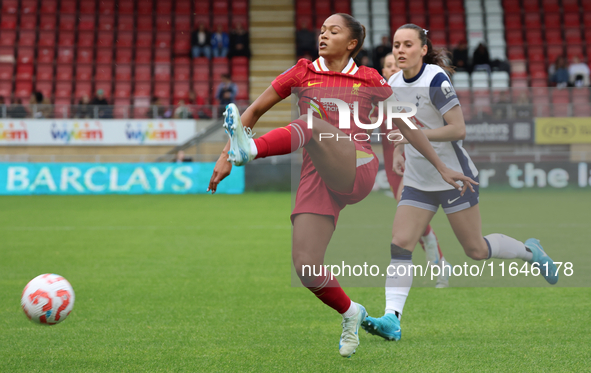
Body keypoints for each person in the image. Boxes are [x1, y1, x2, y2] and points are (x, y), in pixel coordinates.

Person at [208, 14, 476, 357]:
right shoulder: (302, 71)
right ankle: (352, 313)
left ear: (352, 43)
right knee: (305, 264)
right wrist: (224, 157)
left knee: (309, 123)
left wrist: (441, 166)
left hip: (357, 165)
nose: (323, 35)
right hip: (316, 176)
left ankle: (253, 150)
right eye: (321, 30)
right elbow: (255, 109)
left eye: (333, 31)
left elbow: (407, 125)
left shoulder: (369, 78)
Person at [361, 24, 559, 343]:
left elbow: (458, 130)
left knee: (476, 250)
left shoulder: (436, 80)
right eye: (396, 44)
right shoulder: (393, 83)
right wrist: (399, 148)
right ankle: (392, 319)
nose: (399, 50)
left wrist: (414, 138)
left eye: (407, 44)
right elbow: (403, 124)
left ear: (423, 49)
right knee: (400, 244)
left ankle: (530, 252)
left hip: (454, 175)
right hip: (418, 178)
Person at [377, 52, 452, 288]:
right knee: (411, 221)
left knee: (406, 208)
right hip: (392, 162)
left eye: (393, 65)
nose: (390, 69)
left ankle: (437, 259)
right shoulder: (381, 96)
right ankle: (438, 261)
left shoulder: (409, 93)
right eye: (386, 66)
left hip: (413, 158)